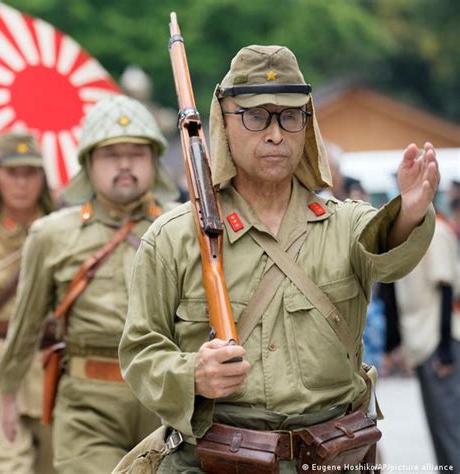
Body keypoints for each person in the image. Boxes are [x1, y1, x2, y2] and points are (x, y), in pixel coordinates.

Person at [119, 45, 438, 472]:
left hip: (334, 456)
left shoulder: (344, 224)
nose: (275, 133)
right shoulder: (173, 238)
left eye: (290, 116)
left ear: (307, 125)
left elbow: (386, 251)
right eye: (255, 116)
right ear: (224, 122)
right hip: (215, 460)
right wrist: (192, 374)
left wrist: (411, 211)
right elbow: (141, 352)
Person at [0, 95, 179, 474]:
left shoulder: (183, 227)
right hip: (88, 404)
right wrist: (7, 391)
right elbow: (26, 324)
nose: (125, 165)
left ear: (154, 162)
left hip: (165, 401)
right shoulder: (52, 234)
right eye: (111, 155)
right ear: (88, 163)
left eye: (137, 154)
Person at [0, 131, 55, 474]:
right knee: (8, 466)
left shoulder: (63, 228)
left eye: (31, 173)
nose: (22, 183)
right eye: (13, 173)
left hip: (50, 365)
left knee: (56, 466)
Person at [394, 210, 460, 470]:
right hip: (423, 341)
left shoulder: (438, 231)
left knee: (451, 429)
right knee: (440, 427)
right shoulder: (410, 232)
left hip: (438, 342)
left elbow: (446, 289)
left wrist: (444, 351)